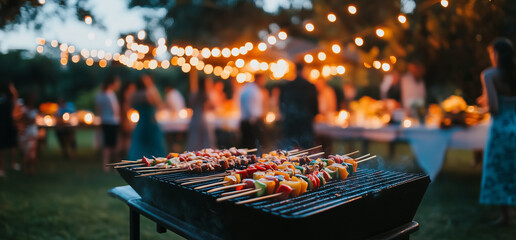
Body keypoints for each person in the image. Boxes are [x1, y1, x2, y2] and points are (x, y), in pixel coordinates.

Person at [477, 38, 516, 226]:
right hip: (514, 123)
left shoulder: (489, 75)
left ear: (497, 54)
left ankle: (505, 215)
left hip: (500, 129)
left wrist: (484, 103)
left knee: (500, 170)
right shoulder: (513, 74)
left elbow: (494, 107)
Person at [279, 63, 318, 149]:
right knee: (306, 150)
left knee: (290, 150)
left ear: (295, 71)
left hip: (290, 122)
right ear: (303, 70)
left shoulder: (286, 86)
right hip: (305, 122)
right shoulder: (310, 86)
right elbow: (315, 107)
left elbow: (281, 104)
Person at [128, 75, 166, 160]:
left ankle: (138, 160)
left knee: (139, 144)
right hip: (151, 123)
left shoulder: (133, 95)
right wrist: (152, 87)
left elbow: (130, 107)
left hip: (141, 123)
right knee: (154, 144)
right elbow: (159, 104)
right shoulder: (148, 94)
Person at [96, 75, 121, 171]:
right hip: (112, 122)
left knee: (106, 144)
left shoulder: (100, 94)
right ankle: (115, 165)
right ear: (112, 83)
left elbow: (98, 109)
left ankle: (105, 165)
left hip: (104, 121)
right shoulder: (110, 95)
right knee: (113, 145)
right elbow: (115, 110)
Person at [186, 77, 216, 151]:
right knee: (205, 140)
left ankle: (194, 153)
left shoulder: (193, 94)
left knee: (194, 140)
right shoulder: (205, 95)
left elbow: (190, 105)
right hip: (202, 119)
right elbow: (211, 107)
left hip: (194, 118)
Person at [239, 73, 266, 149]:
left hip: (247, 122)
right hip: (250, 123)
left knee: (248, 146)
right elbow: (251, 109)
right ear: (258, 79)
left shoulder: (247, 88)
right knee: (251, 147)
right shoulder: (253, 90)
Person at [0, 83, 20, 177]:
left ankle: (4, 168)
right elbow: (16, 95)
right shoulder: (12, 101)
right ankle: (5, 167)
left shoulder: (4, 101)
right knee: (8, 146)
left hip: (5, 125)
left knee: (8, 146)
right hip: (9, 125)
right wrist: (12, 88)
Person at [19, 94, 38, 175]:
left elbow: (32, 120)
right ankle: (26, 168)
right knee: (27, 152)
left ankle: (31, 168)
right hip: (26, 133)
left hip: (33, 133)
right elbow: (25, 121)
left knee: (32, 152)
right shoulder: (23, 109)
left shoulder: (33, 109)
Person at [119, 81, 136, 158]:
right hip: (125, 120)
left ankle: (124, 154)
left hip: (126, 119)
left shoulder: (126, 96)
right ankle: (125, 155)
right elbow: (126, 108)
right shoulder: (126, 96)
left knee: (125, 138)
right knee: (126, 138)